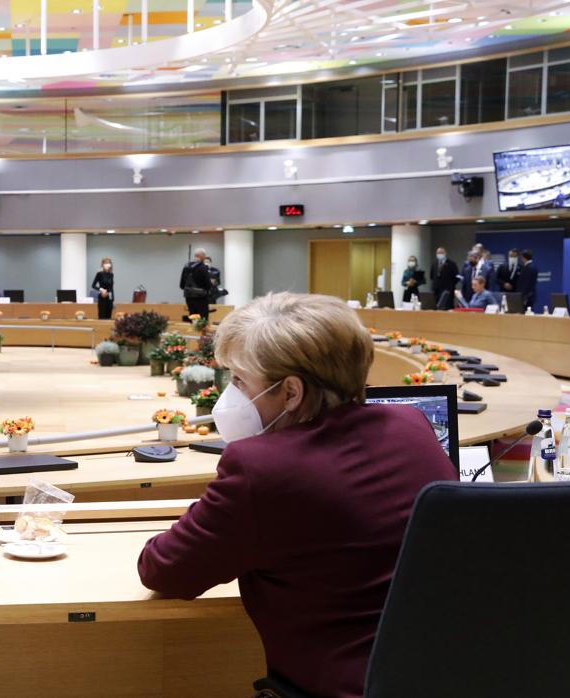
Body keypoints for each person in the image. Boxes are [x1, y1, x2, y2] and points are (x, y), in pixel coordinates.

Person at [137, 292, 456, 698]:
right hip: (440, 679)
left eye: (238, 380)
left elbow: (164, 569)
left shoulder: (261, 468)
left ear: (290, 393)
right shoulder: (410, 425)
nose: (231, 393)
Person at [179, 249, 213, 321]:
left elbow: (182, 285)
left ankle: (194, 332)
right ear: (203, 256)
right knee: (202, 320)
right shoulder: (203, 267)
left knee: (193, 318)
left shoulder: (186, 267)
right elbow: (208, 285)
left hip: (189, 297)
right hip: (201, 298)